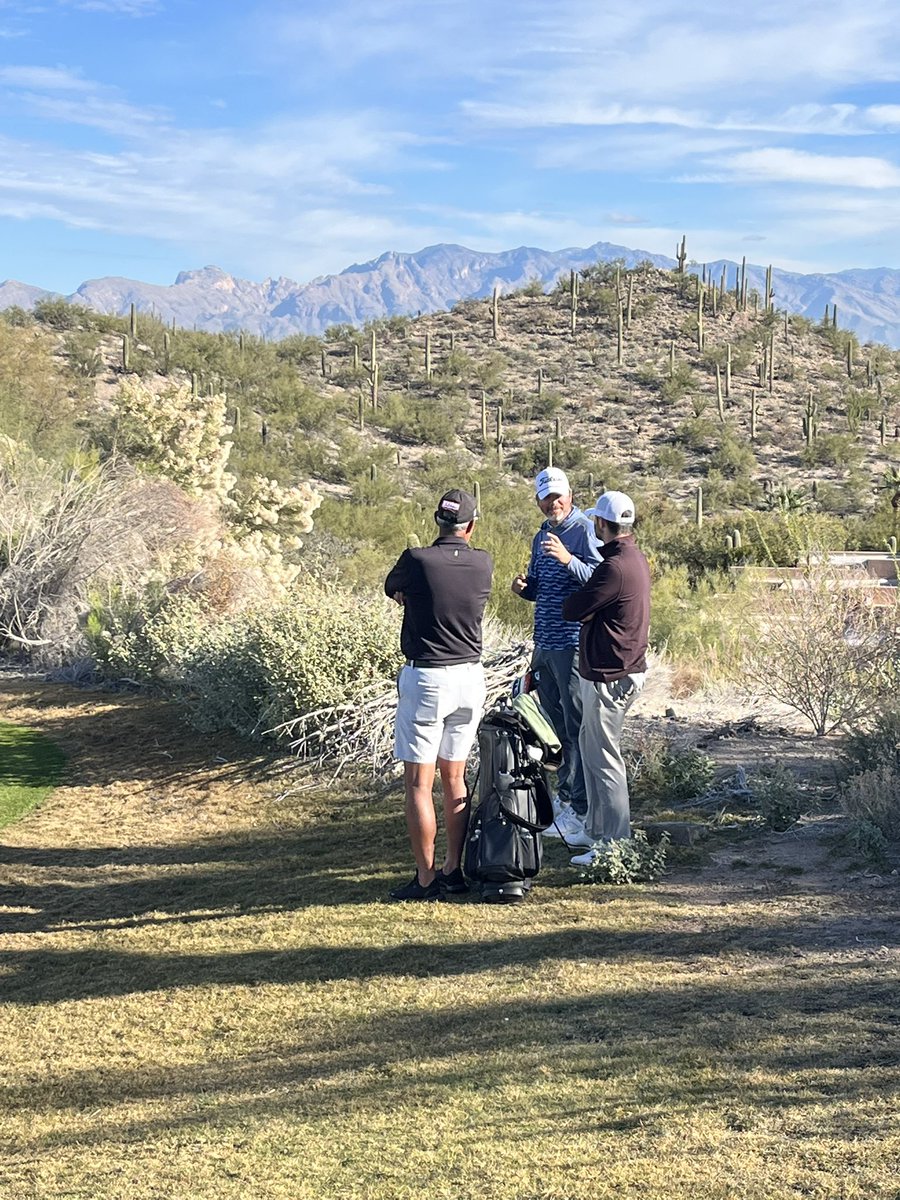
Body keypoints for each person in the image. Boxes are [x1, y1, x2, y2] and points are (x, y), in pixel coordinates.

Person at [384, 488, 493, 901]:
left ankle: (426, 878)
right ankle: (453, 869)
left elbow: (392, 585)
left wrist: (408, 595)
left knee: (418, 783)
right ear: (471, 525)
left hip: (428, 677)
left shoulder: (417, 560)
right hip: (470, 678)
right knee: (455, 778)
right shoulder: (483, 562)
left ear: (437, 521)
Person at [510, 467, 602, 841]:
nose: (553, 503)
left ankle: (581, 808)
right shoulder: (541, 536)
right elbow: (541, 587)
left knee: (576, 726)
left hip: (572, 643)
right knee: (554, 726)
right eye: (546, 498)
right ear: (538, 501)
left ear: (570, 495)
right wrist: (525, 588)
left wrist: (568, 559)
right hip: (545, 643)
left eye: (558, 496)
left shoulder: (584, 530)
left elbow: (600, 579)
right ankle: (566, 797)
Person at [561, 490, 650, 866]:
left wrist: (588, 612)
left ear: (601, 523)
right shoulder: (632, 558)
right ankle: (595, 829)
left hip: (609, 674)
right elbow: (588, 609)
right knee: (590, 748)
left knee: (605, 759)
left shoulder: (613, 567)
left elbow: (572, 608)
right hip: (613, 669)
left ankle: (615, 844)